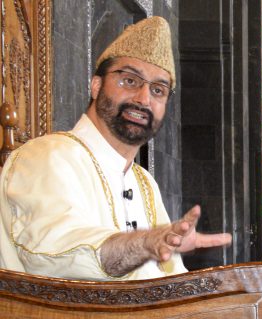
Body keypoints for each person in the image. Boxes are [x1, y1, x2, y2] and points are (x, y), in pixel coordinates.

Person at [0, 17, 231, 280]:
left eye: (158, 90)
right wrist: (144, 244)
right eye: (130, 81)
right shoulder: (47, 156)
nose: (143, 99)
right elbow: (54, 254)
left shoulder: (145, 183)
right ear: (96, 85)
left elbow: (172, 282)